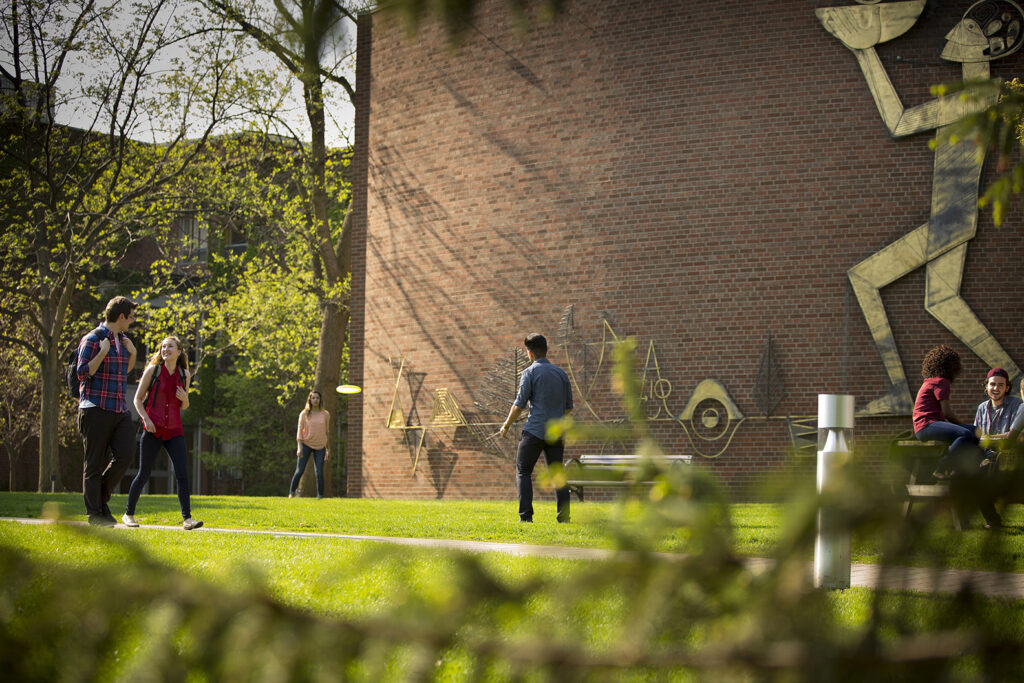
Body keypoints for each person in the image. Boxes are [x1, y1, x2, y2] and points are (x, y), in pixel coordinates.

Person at [124, 336, 203, 530]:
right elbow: (137, 399)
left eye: (170, 347)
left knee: (182, 473)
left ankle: (187, 520)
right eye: (163, 346)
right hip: (153, 428)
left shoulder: (185, 374)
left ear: (179, 352)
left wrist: (186, 399)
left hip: (174, 431)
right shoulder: (154, 371)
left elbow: (183, 405)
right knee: (144, 473)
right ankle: (128, 514)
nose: (165, 349)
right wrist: (146, 419)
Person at [76, 296, 139, 526]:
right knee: (93, 465)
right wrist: (101, 353)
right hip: (95, 408)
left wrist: (132, 354)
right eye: (131, 317)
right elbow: (82, 373)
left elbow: (123, 371)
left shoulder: (122, 341)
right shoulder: (93, 339)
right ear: (121, 317)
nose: (132, 321)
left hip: (119, 409)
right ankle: (95, 513)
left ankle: (101, 499)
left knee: (125, 455)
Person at [499, 333, 573, 523]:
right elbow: (568, 408)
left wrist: (506, 426)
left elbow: (519, 405)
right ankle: (564, 517)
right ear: (546, 351)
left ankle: (526, 517)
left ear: (530, 354)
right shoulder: (562, 374)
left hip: (534, 431)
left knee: (523, 471)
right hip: (555, 433)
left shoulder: (529, 373)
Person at [912, 345, 980, 480]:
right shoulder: (941, 382)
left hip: (928, 425)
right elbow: (947, 413)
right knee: (965, 433)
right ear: (951, 366)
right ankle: (942, 468)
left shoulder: (931, 381)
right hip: (926, 426)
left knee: (976, 432)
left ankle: (968, 468)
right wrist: (961, 425)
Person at [973, 368, 1024, 529]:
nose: (996, 388)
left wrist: (987, 439)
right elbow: (976, 436)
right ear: (986, 386)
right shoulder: (982, 408)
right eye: (992, 384)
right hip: (987, 456)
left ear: (1007, 388)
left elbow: (1011, 437)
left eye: (1000, 385)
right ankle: (993, 520)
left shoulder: (1017, 405)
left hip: (1008, 456)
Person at [290, 390, 330, 499]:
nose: (315, 400)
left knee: (319, 473)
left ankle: (320, 495)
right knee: (299, 471)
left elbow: (327, 432)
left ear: (320, 400)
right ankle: (291, 492)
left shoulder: (325, 414)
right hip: (306, 445)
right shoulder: (304, 414)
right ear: (310, 400)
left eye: (317, 398)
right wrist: (299, 447)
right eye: (313, 398)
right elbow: (299, 431)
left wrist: (327, 449)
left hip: (320, 447)